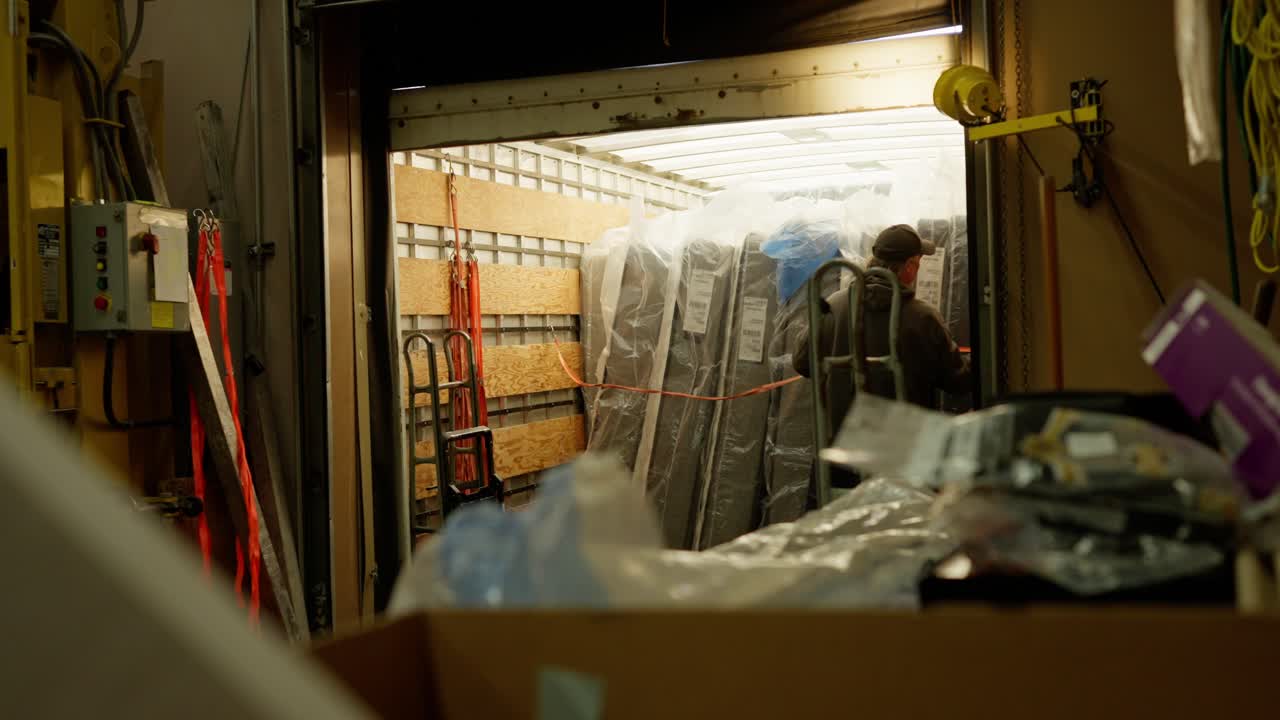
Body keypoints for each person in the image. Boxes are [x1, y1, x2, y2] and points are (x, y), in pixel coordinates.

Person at [794, 223, 971, 439]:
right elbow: (957, 380)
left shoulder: (833, 305)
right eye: (917, 263)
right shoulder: (923, 317)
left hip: (838, 447)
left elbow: (802, 362)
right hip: (897, 452)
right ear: (909, 267)